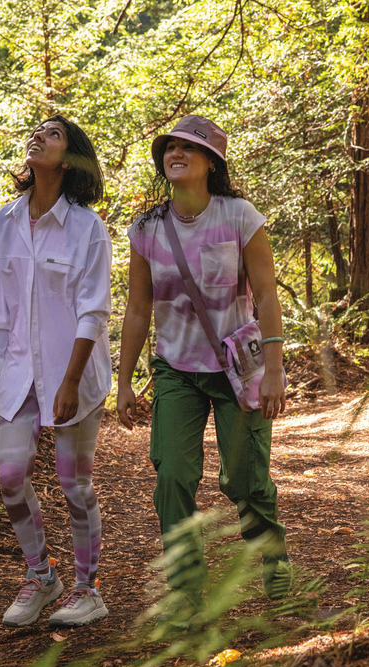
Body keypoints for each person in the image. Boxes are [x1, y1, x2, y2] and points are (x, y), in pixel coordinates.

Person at [116, 115, 292, 603]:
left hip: (239, 370)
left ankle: (274, 561)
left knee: (246, 481)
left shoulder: (239, 216)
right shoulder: (148, 229)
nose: (176, 154)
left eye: (189, 148)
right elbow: (137, 308)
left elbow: (266, 295)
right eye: (170, 147)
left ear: (212, 163)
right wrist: (124, 380)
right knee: (172, 476)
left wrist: (275, 368)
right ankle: (187, 590)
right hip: (176, 371)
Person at [0, 115, 112, 627]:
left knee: (74, 485)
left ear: (70, 157)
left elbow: (94, 311)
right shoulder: (6, 220)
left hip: (74, 376)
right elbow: (2, 305)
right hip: (17, 373)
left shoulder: (87, 226)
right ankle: (41, 576)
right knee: (10, 476)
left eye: (54, 134)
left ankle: (87, 590)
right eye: (35, 129)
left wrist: (68, 381)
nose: (38, 135)